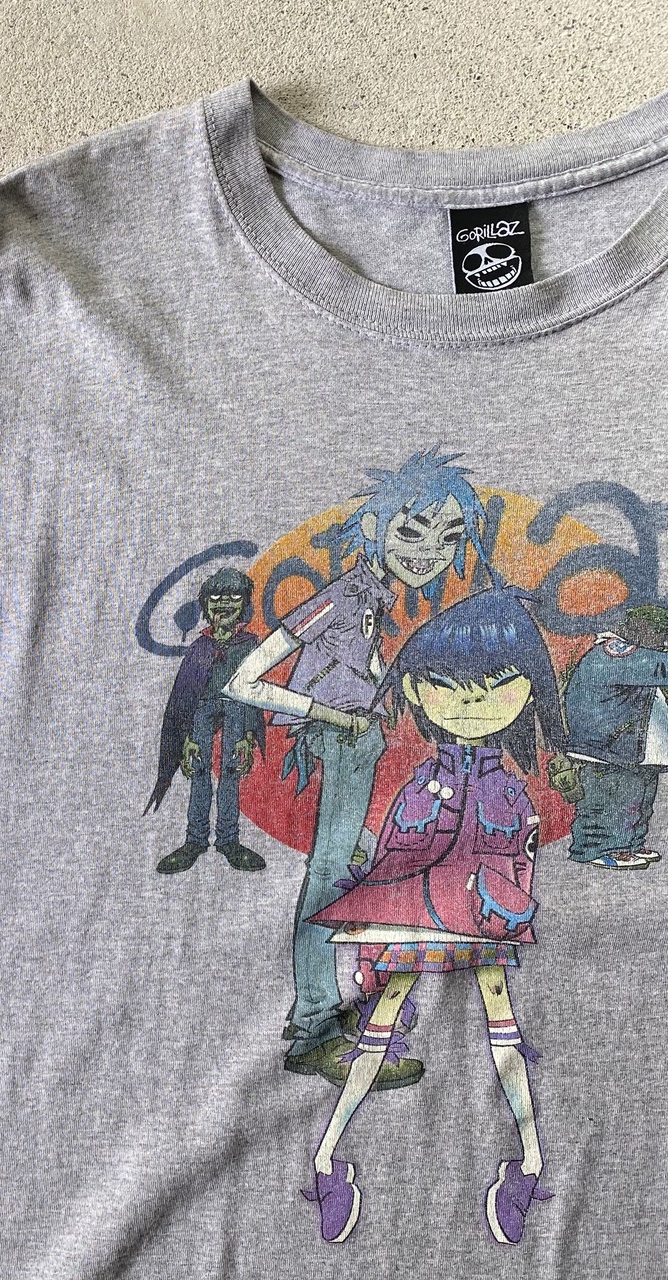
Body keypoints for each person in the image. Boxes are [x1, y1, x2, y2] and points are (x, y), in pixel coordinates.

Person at [301, 586, 565, 1246]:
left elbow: (520, 867)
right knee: (383, 1016)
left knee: (501, 1021)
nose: (472, 703)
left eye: (496, 686)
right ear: (416, 691)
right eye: (448, 686)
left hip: (479, 915)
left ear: (528, 688)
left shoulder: (510, 792)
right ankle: (327, 1161)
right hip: (418, 913)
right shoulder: (421, 787)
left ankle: (529, 1163)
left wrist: (504, 905)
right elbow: (390, 865)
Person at [222, 448, 488, 1088]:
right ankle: (315, 1026)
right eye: (412, 532)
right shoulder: (343, 597)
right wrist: (330, 715)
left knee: (355, 866)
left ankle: (331, 1015)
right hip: (340, 744)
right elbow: (243, 680)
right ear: (372, 528)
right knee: (329, 877)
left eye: (448, 537)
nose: (430, 552)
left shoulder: (378, 599)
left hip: (360, 746)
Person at [145, 568, 267, 872]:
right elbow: (186, 695)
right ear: (205, 603)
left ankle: (229, 839)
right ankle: (195, 840)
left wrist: (248, 736)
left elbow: (254, 692)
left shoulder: (249, 644)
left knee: (232, 771)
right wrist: (186, 737)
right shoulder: (200, 647)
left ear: (244, 603)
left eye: (233, 596)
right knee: (198, 770)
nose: (224, 603)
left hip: (237, 707)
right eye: (216, 596)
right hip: (200, 710)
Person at [562, 603, 668, 869]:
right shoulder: (614, 652)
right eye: (662, 635)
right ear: (643, 629)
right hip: (607, 750)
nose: (665, 643)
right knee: (607, 803)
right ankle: (596, 848)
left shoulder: (631, 652)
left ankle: (630, 845)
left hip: (630, 751)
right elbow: (659, 668)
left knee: (638, 801)